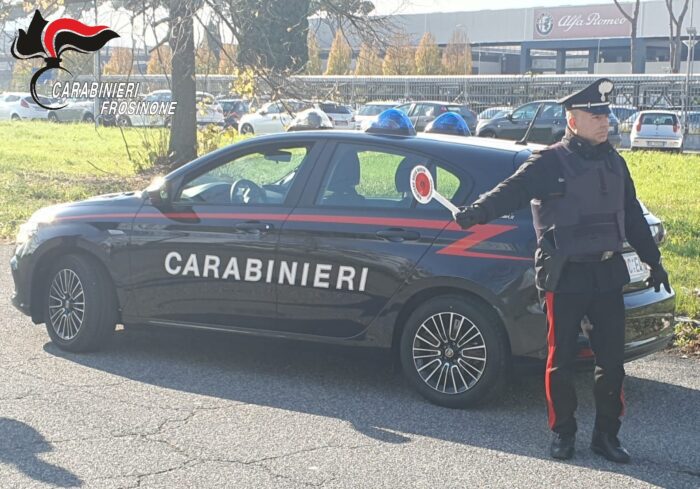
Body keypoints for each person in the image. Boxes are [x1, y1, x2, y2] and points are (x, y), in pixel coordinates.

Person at [454, 78, 671, 463]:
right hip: (565, 274)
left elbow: (633, 216)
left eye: (606, 114)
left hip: (606, 273)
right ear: (572, 119)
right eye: (595, 114)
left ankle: (607, 436)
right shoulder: (549, 161)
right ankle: (563, 434)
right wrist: (475, 214)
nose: (604, 121)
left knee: (611, 362)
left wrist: (654, 261)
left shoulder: (615, 162)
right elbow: (510, 192)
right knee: (560, 360)